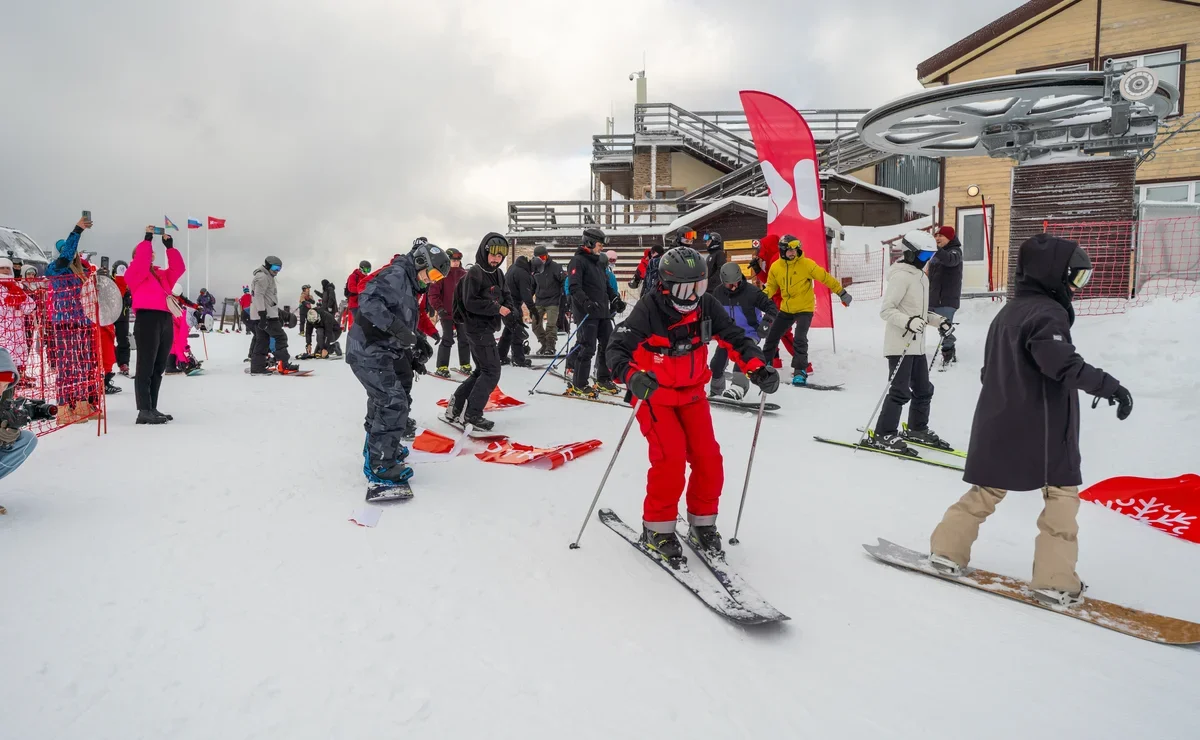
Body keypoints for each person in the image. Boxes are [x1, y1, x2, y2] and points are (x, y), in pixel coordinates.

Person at [928, 234, 1132, 606]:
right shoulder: (1046, 314)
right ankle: (1055, 580)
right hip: (1044, 427)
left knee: (987, 489)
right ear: (1053, 274)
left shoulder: (1008, 312)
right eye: (1074, 277)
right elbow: (1061, 364)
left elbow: (990, 370)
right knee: (1061, 495)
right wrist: (1110, 387)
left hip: (999, 420)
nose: (1075, 287)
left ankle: (946, 550)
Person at [607, 246, 780, 563]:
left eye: (699, 287)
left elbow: (735, 337)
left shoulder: (706, 306)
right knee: (670, 458)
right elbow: (617, 349)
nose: (692, 296)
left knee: (709, 458)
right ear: (666, 284)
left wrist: (757, 365)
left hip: (692, 395)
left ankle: (702, 524)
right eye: (685, 288)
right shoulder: (649, 308)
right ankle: (657, 528)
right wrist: (632, 377)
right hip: (654, 395)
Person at [348, 242, 448, 485]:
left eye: (439, 278)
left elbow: (401, 316)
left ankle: (382, 448)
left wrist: (416, 341)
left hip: (379, 350)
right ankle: (381, 463)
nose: (433, 281)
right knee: (392, 402)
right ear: (421, 263)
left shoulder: (410, 284)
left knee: (384, 400)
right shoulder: (397, 275)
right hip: (368, 350)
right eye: (433, 274)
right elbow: (369, 300)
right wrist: (399, 331)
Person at [865, 231, 949, 453]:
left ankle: (916, 429)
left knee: (923, 389)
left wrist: (939, 321)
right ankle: (884, 434)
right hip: (899, 344)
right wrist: (909, 322)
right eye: (923, 256)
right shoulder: (901, 276)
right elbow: (887, 310)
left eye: (929, 256)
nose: (926, 261)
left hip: (916, 345)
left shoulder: (921, 277)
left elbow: (918, 313)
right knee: (900, 391)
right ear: (910, 254)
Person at [761, 234, 852, 386]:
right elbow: (771, 286)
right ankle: (765, 365)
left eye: (795, 249)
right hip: (787, 308)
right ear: (782, 251)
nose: (793, 252)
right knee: (772, 336)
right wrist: (761, 298)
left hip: (805, 308)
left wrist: (841, 292)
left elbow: (825, 277)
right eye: (790, 250)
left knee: (800, 338)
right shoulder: (776, 267)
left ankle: (800, 370)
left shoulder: (806, 264)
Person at [445, 233, 512, 431]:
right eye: (493, 255)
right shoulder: (475, 272)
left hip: (487, 328)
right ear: (485, 252)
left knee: (481, 371)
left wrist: (512, 312)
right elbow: (470, 302)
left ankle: (455, 407)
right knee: (492, 371)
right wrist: (497, 308)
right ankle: (472, 414)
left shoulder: (498, 274)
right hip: (475, 328)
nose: (496, 259)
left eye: (500, 256)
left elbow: (506, 295)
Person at [125, 226, 186, 424]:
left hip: (165, 319)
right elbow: (141, 263)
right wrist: (147, 239)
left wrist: (170, 248)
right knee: (146, 366)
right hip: (147, 319)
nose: (151, 253)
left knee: (159, 365)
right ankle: (143, 410)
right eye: (147, 251)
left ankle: (152, 407)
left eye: (152, 251)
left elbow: (178, 269)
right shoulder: (134, 273)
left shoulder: (160, 274)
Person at [45, 215, 102, 425]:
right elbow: (66, 257)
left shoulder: (83, 272)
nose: (71, 254)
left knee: (85, 367)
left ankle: (82, 403)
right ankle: (63, 408)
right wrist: (77, 231)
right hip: (65, 323)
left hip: (83, 323)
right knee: (67, 367)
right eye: (65, 250)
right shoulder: (55, 268)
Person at [709, 261, 778, 400]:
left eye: (737, 282)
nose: (734, 287)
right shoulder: (718, 293)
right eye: (730, 284)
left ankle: (738, 388)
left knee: (744, 356)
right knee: (718, 362)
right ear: (723, 282)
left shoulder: (752, 292)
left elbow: (772, 307)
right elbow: (711, 312)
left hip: (749, 332)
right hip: (727, 333)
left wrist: (766, 322)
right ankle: (716, 390)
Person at [565, 228, 620, 397]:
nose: (601, 248)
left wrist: (615, 299)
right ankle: (579, 384)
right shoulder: (577, 261)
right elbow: (574, 287)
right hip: (587, 312)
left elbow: (606, 286)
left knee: (608, 345)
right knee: (587, 347)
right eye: (599, 244)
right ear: (589, 242)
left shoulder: (598, 262)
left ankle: (603, 379)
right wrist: (586, 303)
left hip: (602, 312)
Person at [0, 348, 40, 515]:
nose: (1, 390)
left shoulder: (5, 394)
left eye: (5, 385)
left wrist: (9, 433)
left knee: (26, 439)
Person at [250, 256, 300, 375]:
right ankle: (284, 364)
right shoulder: (262, 277)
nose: (277, 271)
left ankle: (257, 367)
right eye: (275, 267)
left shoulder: (267, 276)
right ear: (268, 265)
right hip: (266, 316)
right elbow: (258, 296)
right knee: (280, 337)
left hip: (263, 314)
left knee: (262, 340)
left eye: (279, 268)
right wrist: (263, 315)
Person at [428, 247, 470, 377]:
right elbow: (433, 294)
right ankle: (442, 366)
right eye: (453, 259)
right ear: (447, 260)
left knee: (464, 339)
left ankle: (465, 365)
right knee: (447, 339)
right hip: (446, 313)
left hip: (461, 314)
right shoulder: (441, 274)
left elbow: (469, 293)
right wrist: (439, 308)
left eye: (458, 259)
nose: (456, 262)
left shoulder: (465, 274)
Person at [930, 226, 964, 367]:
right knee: (938, 325)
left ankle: (948, 351)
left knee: (944, 327)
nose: (937, 238)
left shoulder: (955, 251)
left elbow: (950, 260)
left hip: (947, 299)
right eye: (936, 236)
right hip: (934, 298)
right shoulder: (937, 254)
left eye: (941, 236)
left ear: (949, 238)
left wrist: (936, 249)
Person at [0, 257, 36, 378]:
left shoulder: (16, 287)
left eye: (7, 268)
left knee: (13, 371)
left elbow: (30, 307)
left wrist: (20, 295)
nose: (5, 270)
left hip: (16, 334)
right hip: (2, 334)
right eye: (2, 268)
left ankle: (10, 394)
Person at [499, 254, 536, 368]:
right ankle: (518, 359)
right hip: (513, 303)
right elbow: (526, 294)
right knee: (517, 331)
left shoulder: (513, 267)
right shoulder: (523, 273)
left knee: (509, 331)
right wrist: (532, 309)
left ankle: (500, 355)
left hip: (505, 302)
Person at [531, 244, 566, 356]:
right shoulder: (534, 268)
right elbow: (532, 284)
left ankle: (551, 346)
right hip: (540, 300)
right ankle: (544, 344)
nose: (542, 260)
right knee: (535, 325)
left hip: (553, 300)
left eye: (544, 257)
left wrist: (564, 295)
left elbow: (564, 280)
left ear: (547, 256)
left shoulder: (555, 267)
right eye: (540, 258)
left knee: (551, 324)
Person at [112, 264, 132, 376]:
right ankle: (110, 360)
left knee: (123, 341)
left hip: (123, 317)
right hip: (110, 315)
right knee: (108, 339)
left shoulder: (129, 286)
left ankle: (123, 363)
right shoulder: (110, 283)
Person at [344, 260, 372, 329]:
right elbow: (351, 288)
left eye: (369, 270)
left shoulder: (367, 278)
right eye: (366, 269)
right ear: (361, 268)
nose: (367, 272)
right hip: (355, 304)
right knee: (359, 323)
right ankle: (356, 337)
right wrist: (363, 290)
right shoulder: (353, 276)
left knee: (366, 323)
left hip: (364, 304)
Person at [298, 284, 316, 352]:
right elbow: (302, 301)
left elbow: (313, 302)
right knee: (302, 321)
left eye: (309, 289)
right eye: (307, 289)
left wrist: (309, 299)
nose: (308, 290)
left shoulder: (310, 296)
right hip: (303, 309)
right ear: (304, 290)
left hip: (308, 310)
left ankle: (309, 332)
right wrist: (306, 303)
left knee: (309, 321)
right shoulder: (302, 295)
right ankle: (302, 331)